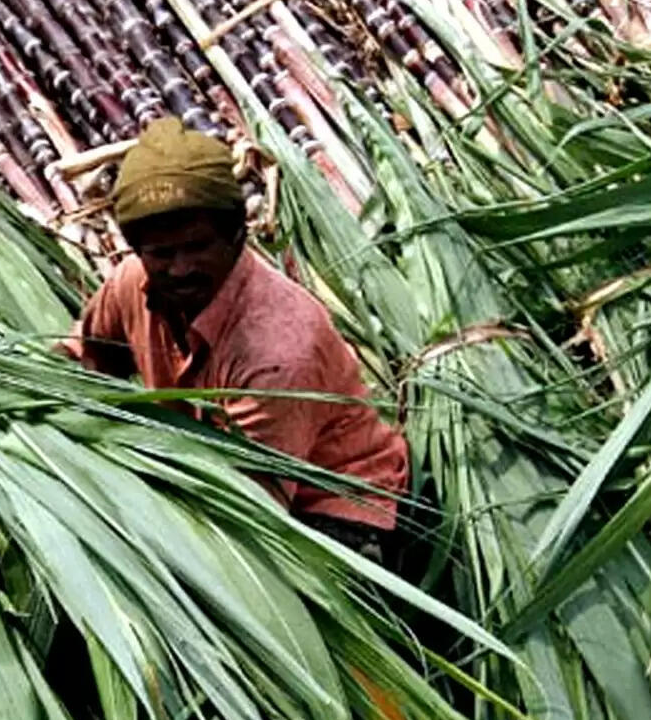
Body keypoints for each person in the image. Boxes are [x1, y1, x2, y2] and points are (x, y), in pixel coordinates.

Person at [64, 118, 408, 557]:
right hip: (213, 471)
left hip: (325, 502)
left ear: (237, 234)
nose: (181, 268)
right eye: (162, 253)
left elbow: (249, 506)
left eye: (198, 246)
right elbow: (80, 361)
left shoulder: (277, 349)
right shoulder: (132, 282)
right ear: (137, 249)